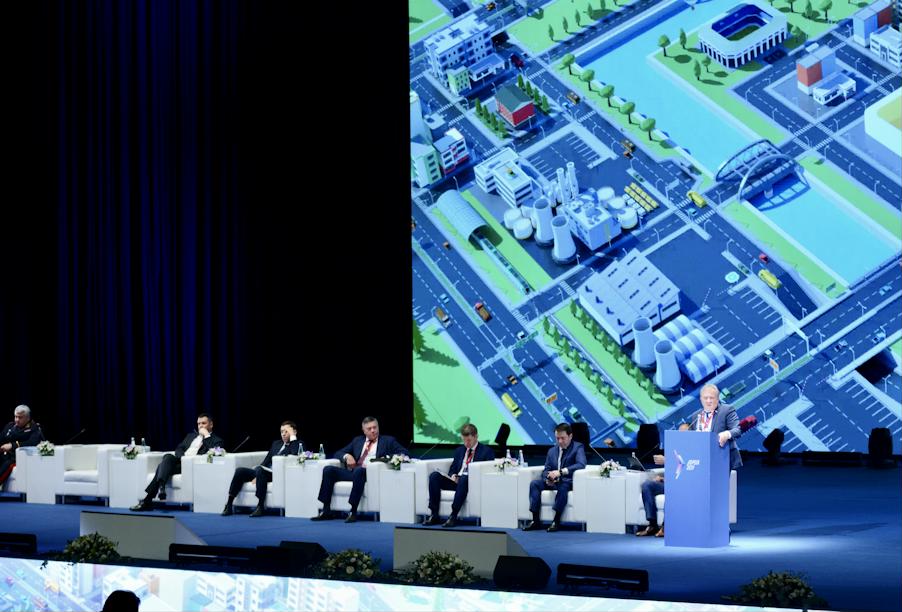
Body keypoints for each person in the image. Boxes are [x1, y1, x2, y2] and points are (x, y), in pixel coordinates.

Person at [637, 383, 742, 538]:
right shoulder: (696, 417)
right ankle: (662, 525)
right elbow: (689, 446)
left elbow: (737, 429)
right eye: (705, 398)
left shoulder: (727, 410)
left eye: (712, 398)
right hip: (700, 463)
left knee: (716, 494)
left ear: (717, 398)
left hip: (720, 461)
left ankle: (720, 527)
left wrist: (726, 434)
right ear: (701, 399)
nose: (708, 401)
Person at [311, 416, 408, 523]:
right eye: (369, 429)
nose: (373, 430)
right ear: (364, 430)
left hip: (370, 474)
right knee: (328, 470)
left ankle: (353, 511)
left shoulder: (388, 441)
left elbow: (404, 453)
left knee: (359, 470)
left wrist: (384, 459)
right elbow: (338, 453)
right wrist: (347, 456)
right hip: (354, 473)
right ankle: (326, 510)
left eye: (375, 427)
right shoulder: (357, 441)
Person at [131, 413, 224, 511]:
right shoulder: (191, 436)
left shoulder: (217, 440)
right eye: (199, 423)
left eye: (203, 423)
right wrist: (182, 458)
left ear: (211, 424)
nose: (200, 426)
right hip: (180, 462)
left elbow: (213, 452)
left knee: (161, 467)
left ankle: (150, 498)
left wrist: (207, 436)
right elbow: (179, 448)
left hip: (192, 466)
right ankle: (160, 489)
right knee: (167, 457)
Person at [221, 421, 301, 517]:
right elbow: (266, 460)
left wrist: (293, 437)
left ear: (294, 432)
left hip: (277, 475)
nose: (283, 434)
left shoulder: (298, 444)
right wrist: (257, 472)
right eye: (281, 431)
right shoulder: (276, 444)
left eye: (286, 431)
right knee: (240, 471)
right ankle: (229, 504)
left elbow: (295, 454)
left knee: (260, 471)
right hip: (264, 471)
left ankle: (260, 506)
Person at [422, 423, 494, 528]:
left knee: (464, 478)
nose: (466, 443)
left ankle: (453, 515)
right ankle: (434, 514)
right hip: (456, 483)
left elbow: (487, 471)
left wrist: (464, 477)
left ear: (476, 437)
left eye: (469, 440)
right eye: (464, 440)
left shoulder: (486, 451)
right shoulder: (459, 451)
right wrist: (453, 475)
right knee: (434, 476)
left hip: (471, 484)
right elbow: (453, 468)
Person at [523, 423, 586, 532]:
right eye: (557, 438)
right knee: (534, 484)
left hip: (567, 481)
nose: (560, 441)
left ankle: (556, 521)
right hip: (553, 482)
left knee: (563, 486)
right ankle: (535, 520)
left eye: (563, 438)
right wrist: (548, 478)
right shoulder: (552, 451)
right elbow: (546, 469)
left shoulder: (577, 447)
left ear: (570, 436)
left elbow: (581, 464)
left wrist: (561, 472)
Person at [0, 405, 44, 486]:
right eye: (16, 417)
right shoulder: (10, 426)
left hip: (17, 457)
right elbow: (1, 438)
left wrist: (12, 446)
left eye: (20, 417)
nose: (17, 420)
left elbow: (32, 443)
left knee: (7, 464)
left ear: (27, 418)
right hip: (4, 455)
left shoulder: (34, 428)